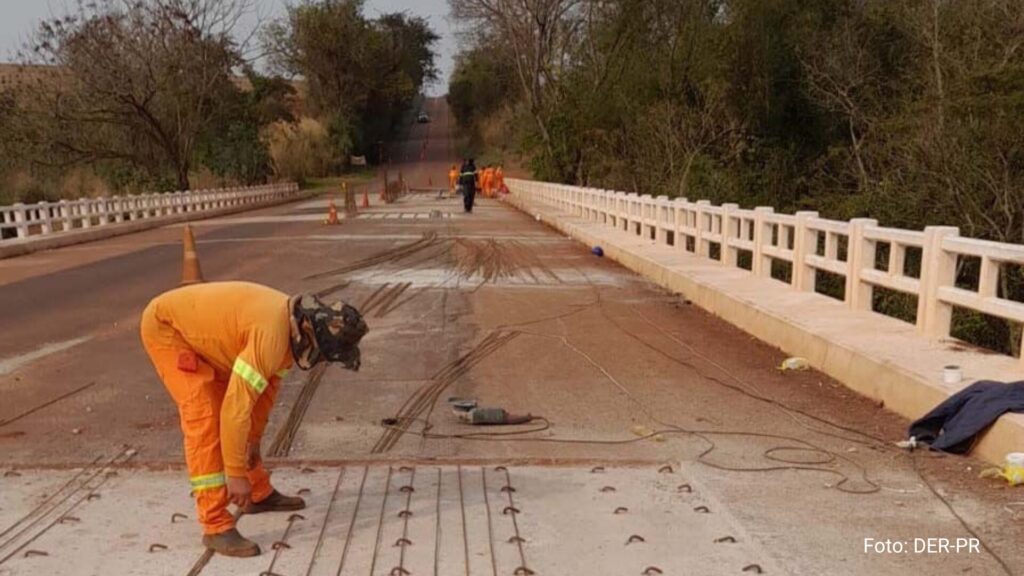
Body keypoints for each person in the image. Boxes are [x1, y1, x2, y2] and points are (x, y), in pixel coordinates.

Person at [140, 282, 368, 557]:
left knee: (239, 407)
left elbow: (263, 396)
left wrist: (253, 445)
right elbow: (234, 411)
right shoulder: (271, 337)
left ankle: (257, 492)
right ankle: (215, 524)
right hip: (168, 329)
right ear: (313, 338)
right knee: (206, 415)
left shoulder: (290, 331)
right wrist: (235, 475)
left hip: (212, 337)